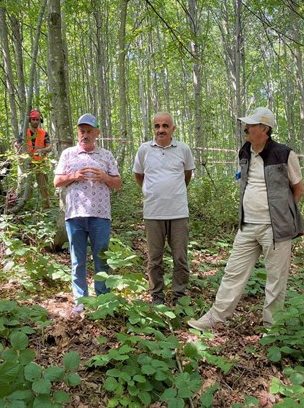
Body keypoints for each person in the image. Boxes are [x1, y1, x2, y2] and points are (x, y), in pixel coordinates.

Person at [188, 107, 304, 331]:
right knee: (233, 273)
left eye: (250, 125)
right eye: (246, 124)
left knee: (276, 280)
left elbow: (297, 189)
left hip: (276, 229)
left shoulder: (284, 154)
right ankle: (215, 318)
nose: (246, 128)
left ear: (264, 129)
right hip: (247, 226)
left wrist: (282, 215)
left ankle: (272, 328)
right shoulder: (244, 152)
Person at [54, 114, 121, 315]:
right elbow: (57, 182)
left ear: (97, 133)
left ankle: (103, 299)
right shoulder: (68, 154)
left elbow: (118, 184)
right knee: (78, 259)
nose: (85, 134)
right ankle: (81, 300)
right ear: (78, 133)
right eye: (82, 131)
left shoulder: (106, 155)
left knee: (101, 258)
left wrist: (105, 177)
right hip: (75, 215)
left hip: (100, 215)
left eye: (89, 131)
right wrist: (74, 176)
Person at [133, 112, 195, 305]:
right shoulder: (144, 150)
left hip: (178, 212)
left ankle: (179, 295)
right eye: (157, 126)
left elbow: (187, 175)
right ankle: (157, 295)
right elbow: (138, 175)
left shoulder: (183, 149)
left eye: (165, 126)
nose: (161, 130)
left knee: (180, 257)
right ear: (153, 128)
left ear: (173, 129)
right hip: (153, 213)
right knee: (154, 258)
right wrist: (152, 191)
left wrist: (174, 192)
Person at [26, 109, 51, 207]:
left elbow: (49, 147)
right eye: (33, 119)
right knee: (28, 186)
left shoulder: (44, 133)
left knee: (43, 186)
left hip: (41, 162)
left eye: (37, 119)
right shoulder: (24, 133)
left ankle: (46, 206)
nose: (35, 121)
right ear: (30, 120)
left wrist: (42, 150)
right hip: (28, 163)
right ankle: (29, 206)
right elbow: (18, 144)